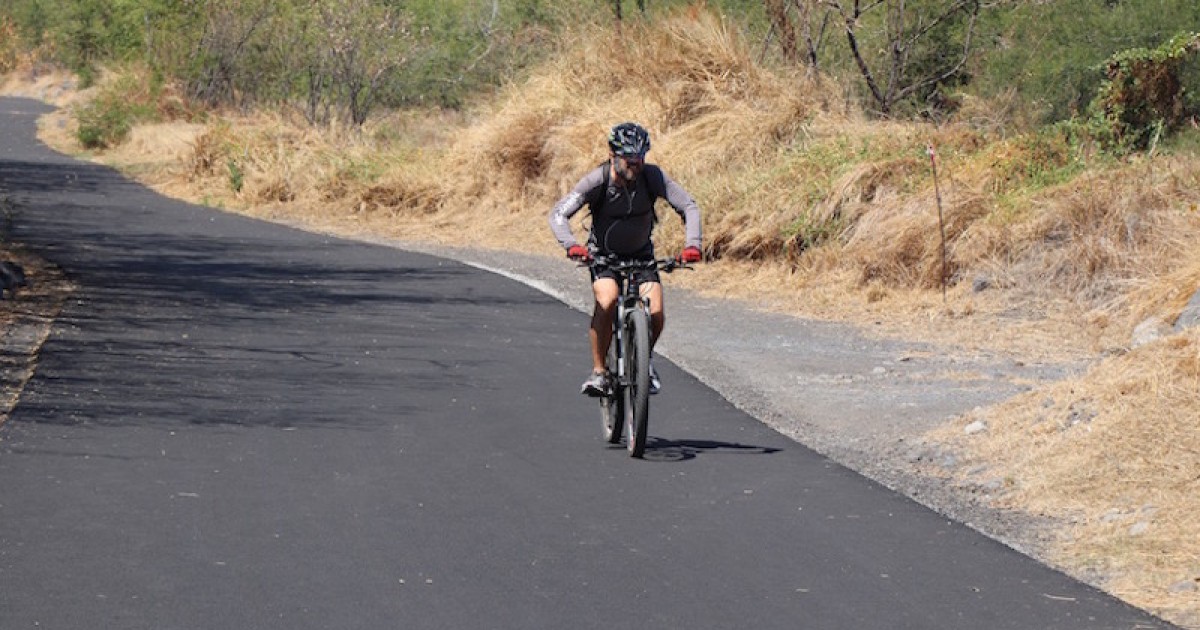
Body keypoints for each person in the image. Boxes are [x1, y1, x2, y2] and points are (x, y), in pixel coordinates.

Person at [548, 122, 703, 397]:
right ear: (613, 155)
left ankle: (643, 361)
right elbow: (559, 213)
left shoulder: (652, 176)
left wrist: (693, 244)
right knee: (606, 301)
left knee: (655, 313)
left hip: (642, 257)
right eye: (629, 159)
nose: (635, 165)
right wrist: (572, 246)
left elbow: (688, 205)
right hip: (603, 257)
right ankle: (599, 372)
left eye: (640, 158)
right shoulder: (597, 180)